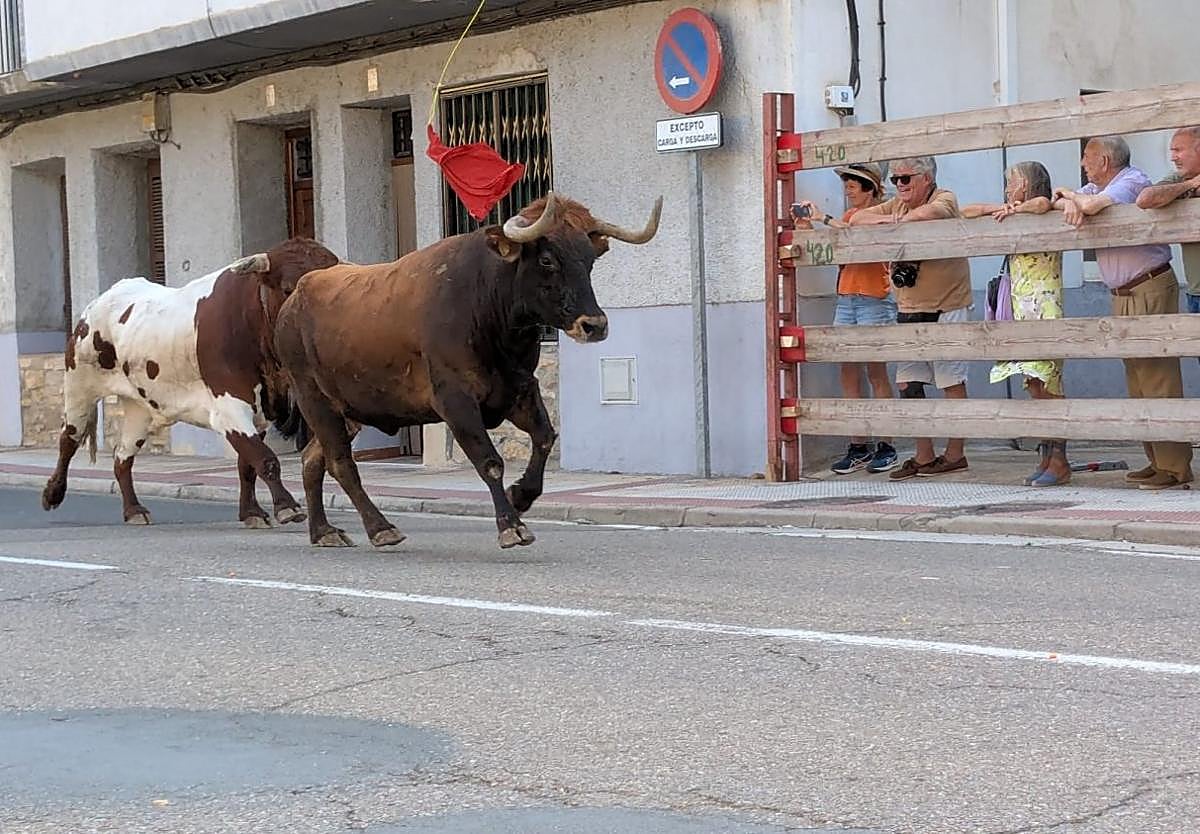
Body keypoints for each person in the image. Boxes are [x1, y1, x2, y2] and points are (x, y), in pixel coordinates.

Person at [1053, 135, 1193, 490]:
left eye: (1088, 156)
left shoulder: (1130, 181)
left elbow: (1094, 205)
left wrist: (1075, 200)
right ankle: (1155, 459)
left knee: (1157, 375)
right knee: (1136, 378)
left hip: (1148, 284)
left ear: (1106, 160)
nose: (1083, 162)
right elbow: (1056, 196)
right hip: (1123, 292)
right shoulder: (1092, 185)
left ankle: (1176, 467)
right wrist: (1068, 198)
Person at [849, 156, 973, 480]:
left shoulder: (943, 197)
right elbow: (857, 218)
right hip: (908, 308)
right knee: (908, 382)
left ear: (926, 178)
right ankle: (924, 455)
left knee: (951, 381)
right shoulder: (894, 207)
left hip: (948, 305)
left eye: (906, 178)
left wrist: (897, 222)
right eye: (895, 180)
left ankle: (956, 454)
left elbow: (931, 213)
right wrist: (889, 222)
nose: (900, 185)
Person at [962, 161, 1069, 486]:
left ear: (1027, 185)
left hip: (1044, 310)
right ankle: (1046, 456)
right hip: (1020, 310)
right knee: (1033, 384)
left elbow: (1042, 203)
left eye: (1013, 183)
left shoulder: (1043, 210)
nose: (1008, 189)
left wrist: (1018, 208)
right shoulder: (1011, 213)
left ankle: (1060, 460)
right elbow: (967, 211)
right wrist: (1002, 207)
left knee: (1048, 383)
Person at [793, 162, 898, 475]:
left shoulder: (879, 214)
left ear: (869, 190)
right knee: (848, 371)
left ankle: (886, 444)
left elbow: (856, 235)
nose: (847, 191)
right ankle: (858, 444)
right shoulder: (849, 217)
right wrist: (806, 227)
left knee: (876, 372)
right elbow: (838, 241)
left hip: (874, 300)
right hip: (847, 299)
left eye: (853, 187)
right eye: (846, 187)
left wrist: (822, 218)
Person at [1136, 126, 1200, 315]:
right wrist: (1190, 184)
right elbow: (1145, 199)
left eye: (1178, 150)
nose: (1173, 157)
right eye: (1172, 151)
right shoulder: (1181, 178)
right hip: (1196, 294)